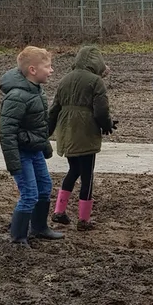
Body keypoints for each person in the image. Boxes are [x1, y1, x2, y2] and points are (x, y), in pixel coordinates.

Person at [0, 46, 64, 245]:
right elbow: (7, 132)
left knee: (45, 187)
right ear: (33, 70)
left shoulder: (36, 91)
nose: (51, 70)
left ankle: (39, 227)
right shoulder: (17, 96)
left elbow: (39, 125)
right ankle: (18, 238)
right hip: (21, 153)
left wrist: (44, 146)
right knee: (29, 194)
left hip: (34, 150)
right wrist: (14, 163)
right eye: (48, 66)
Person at [48, 45, 113, 231]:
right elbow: (101, 110)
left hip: (66, 131)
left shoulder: (64, 80)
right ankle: (83, 220)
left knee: (73, 170)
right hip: (86, 133)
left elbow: (53, 110)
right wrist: (107, 125)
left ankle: (59, 211)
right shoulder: (96, 81)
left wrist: (47, 132)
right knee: (87, 176)